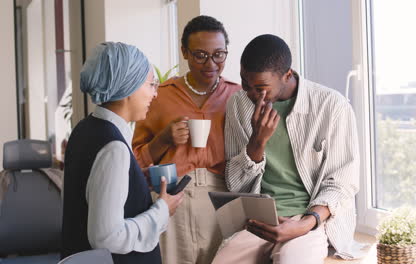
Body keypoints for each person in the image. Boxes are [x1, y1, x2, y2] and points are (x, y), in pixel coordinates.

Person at [212, 34, 361, 264]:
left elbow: (342, 183)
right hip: (261, 216)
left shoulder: (332, 106)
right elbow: (236, 185)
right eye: (245, 83)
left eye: (260, 88)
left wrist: (305, 223)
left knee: (290, 259)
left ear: (287, 75)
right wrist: (257, 142)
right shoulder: (238, 104)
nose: (251, 94)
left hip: (312, 217)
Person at [61, 42, 184, 264]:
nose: (155, 94)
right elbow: (107, 237)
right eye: (151, 85)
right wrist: (162, 210)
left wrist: (135, 179)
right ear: (130, 86)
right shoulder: (114, 147)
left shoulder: (85, 129)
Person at [132, 16, 241, 264]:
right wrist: (163, 140)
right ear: (185, 52)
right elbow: (134, 162)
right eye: (200, 55)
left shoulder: (238, 96)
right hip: (173, 198)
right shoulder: (160, 97)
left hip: (223, 199)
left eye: (219, 54)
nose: (211, 63)